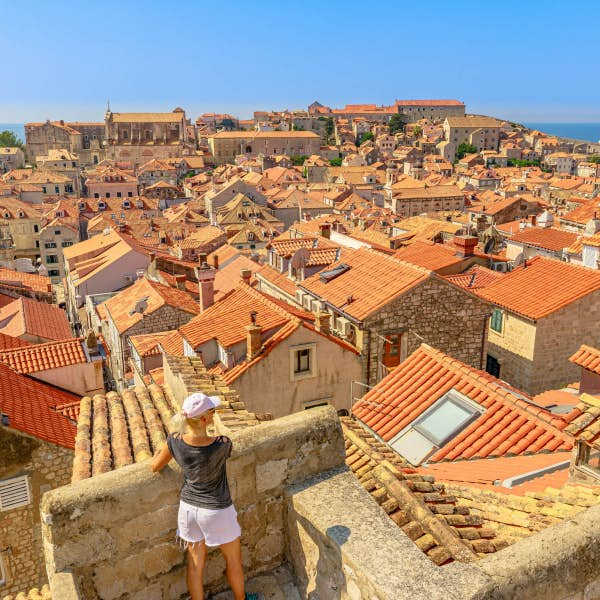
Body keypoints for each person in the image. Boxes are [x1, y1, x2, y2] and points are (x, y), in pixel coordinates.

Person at [151, 392, 260, 600]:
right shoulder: (222, 444)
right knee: (234, 562)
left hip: (189, 510)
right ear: (204, 419)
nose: (214, 414)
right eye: (212, 411)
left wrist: (161, 449)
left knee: (194, 566)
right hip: (217, 510)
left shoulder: (174, 441)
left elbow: (154, 466)